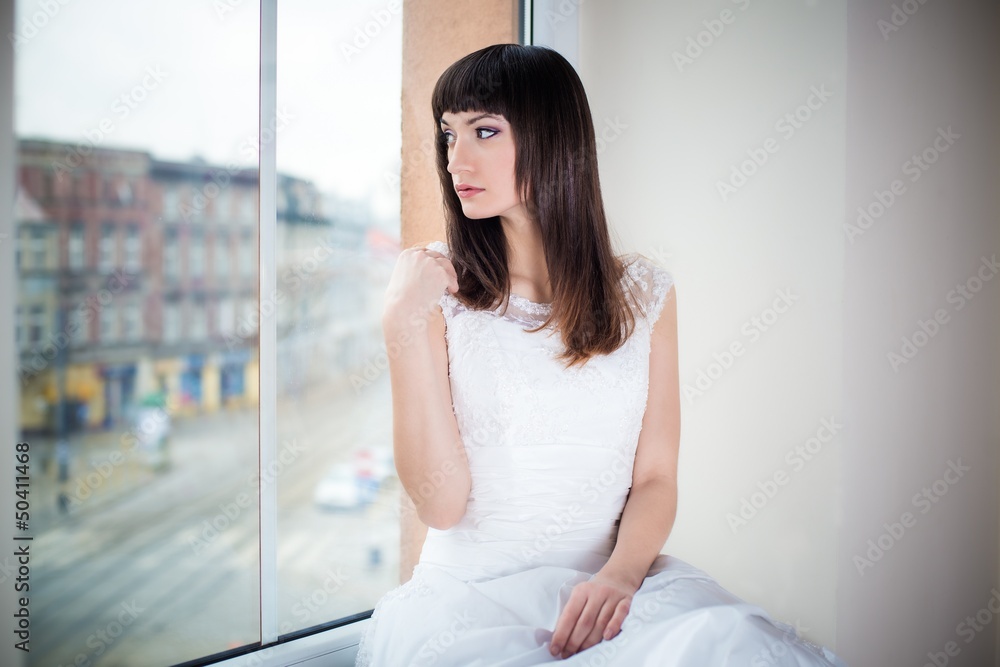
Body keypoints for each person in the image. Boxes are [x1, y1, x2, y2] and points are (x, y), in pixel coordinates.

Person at [356, 44, 847, 666]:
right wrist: (401, 321)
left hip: (613, 588)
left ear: (553, 139)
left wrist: (619, 576)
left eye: (485, 130)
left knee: (735, 647)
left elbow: (656, 478)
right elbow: (441, 504)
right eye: (448, 134)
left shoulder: (644, 294)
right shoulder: (437, 290)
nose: (457, 157)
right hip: (469, 602)